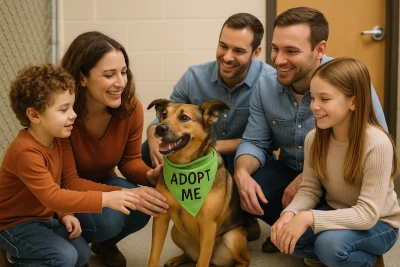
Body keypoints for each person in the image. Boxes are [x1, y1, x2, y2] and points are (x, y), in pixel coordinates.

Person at [233, 7, 388, 253]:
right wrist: (241, 175)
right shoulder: (265, 88)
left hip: (343, 185)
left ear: (320, 50)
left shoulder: (349, 83)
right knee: (249, 182)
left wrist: (307, 176)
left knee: (328, 243)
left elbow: (376, 145)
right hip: (299, 184)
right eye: (275, 48)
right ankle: (301, 234)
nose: (279, 59)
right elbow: (255, 142)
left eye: (291, 51)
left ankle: (321, 237)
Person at [142, 13, 276, 241]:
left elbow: (267, 140)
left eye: (239, 51)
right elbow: (163, 119)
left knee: (257, 166)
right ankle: (186, 208)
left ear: (256, 52)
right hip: (199, 156)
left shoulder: (269, 81)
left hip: (241, 158)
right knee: (149, 147)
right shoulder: (194, 76)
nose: (227, 56)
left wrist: (211, 147)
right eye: (223, 46)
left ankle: (243, 217)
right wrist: (154, 138)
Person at [0, 64, 142, 267]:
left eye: (72, 107)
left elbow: (58, 184)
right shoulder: (26, 152)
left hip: (46, 218)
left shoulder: (56, 139)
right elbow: (53, 195)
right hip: (15, 225)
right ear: (34, 116)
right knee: (64, 257)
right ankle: (16, 258)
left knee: (81, 255)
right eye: (64, 109)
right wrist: (105, 198)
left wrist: (65, 214)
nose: (73, 114)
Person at [271, 57, 400, 267]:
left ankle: (364, 259)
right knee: (285, 236)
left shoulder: (377, 143)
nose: (314, 106)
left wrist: (307, 218)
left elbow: (367, 214)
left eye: (324, 99)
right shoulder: (314, 138)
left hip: (378, 223)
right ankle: (339, 256)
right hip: (336, 214)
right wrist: (289, 214)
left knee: (329, 245)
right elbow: (309, 190)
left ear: (353, 102)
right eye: (312, 97)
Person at [60, 32, 169, 267]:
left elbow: (129, 160)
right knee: (112, 216)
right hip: (63, 195)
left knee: (142, 207)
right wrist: (122, 195)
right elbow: (68, 181)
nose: (121, 82)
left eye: (123, 72)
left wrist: (148, 176)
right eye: (109, 75)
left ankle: (105, 243)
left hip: (104, 181)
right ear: (82, 78)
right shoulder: (62, 114)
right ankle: (71, 241)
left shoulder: (130, 107)